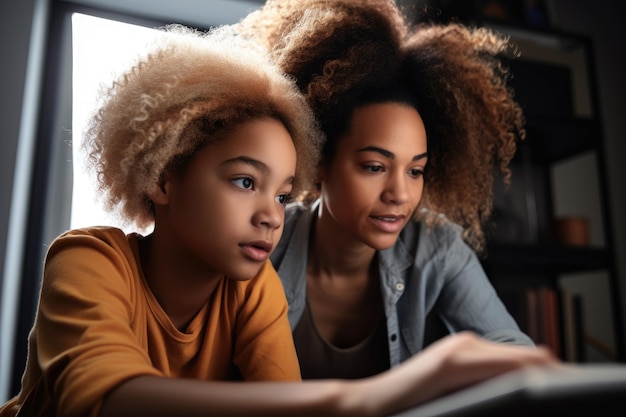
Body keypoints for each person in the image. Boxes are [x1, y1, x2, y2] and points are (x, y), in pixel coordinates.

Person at [0, 22, 558, 417]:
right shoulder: (88, 260)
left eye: (282, 191)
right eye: (246, 182)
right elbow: (103, 399)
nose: (271, 214)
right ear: (163, 177)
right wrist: (366, 399)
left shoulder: (251, 288)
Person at [235, 0, 543, 379]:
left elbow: (512, 352)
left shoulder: (435, 247)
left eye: (416, 170)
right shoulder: (263, 247)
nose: (399, 193)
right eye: (375, 167)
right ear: (318, 163)